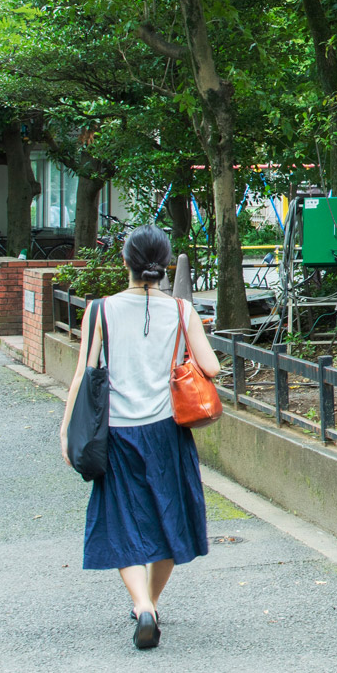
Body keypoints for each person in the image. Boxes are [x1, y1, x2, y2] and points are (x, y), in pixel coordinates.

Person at [59, 226, 220, 650]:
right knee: (170, 519)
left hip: (116, 433)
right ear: (166, 265)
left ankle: (142, 605)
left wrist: (65, 430)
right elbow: (213, 368)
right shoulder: (182, 311)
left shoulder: (100, 310)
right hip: (168, 432)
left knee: (121, 519)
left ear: (125, 262)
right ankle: (151, 602)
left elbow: (82, 374)